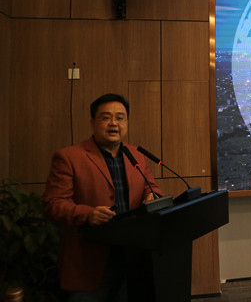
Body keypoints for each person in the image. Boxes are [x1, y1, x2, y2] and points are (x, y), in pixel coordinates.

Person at [43, 93, 163, 302]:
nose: (113, 123)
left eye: (120, 118)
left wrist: (152, 195)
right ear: (93, 123)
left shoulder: (136, 154)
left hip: (133, 254)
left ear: (126, 123)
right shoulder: (69, 157)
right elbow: (52, 204)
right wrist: (88, 214)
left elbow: (151, 187)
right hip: (90, 260)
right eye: (106, 117)